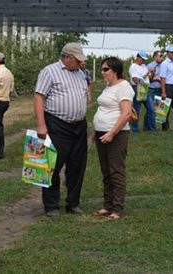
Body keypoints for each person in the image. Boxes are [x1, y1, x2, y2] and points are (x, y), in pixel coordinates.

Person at [33, 42, 90, 217]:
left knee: (77, 166)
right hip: (57, 124)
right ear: (67, 57)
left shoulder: (81, 74)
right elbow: (39, 97)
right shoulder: (49, 71)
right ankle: (51, 205)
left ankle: (73, 203)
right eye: (77, 60)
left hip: (78, 126)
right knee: (51, 165)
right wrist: (41, 125)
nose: (80, 63)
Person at [93, 57, 134, 221]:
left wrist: (111, 133)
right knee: (106, 171)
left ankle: (117, 208)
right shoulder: (108, 87)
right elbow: (103, 108)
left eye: (105, 70)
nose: (102, 72)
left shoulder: (124, 87)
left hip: (116, 135)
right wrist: (96, 131)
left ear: (115, 71)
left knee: (116, 171)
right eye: (102, 69)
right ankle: (107, 205)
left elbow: (126, 113)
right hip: (101, 132)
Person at [128, 51, 149, 133]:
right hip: (137, 88)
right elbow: (134, 78)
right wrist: (141, 84)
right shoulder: (133, 66)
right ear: (138, 57)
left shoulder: (144, 66)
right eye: (142, 59)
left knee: (150, 109)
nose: (143, 61)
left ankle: (146, 128)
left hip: (145, 88)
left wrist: (145, 76)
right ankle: (134, 129)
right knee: (137, 109)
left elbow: (147, 75)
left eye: (144, 59)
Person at [143, 51, 163, 131]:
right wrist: (155, 78)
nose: (162, 58)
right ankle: (152, 129)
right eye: (160, 56)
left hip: (159, 90)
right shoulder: (149, 66)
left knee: (156, 110)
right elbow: (145, 80)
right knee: (151, 109)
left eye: (162, 56)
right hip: (151, 90)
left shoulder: (163, 66)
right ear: (155, 57)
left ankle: (146, 128)